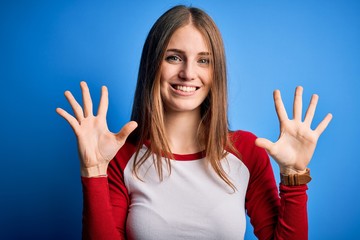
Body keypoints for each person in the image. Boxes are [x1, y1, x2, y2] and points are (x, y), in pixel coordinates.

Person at [56, 5, 332, 240]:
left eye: (203, 61)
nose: (188, 73)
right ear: (153, 64)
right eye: (173, 57)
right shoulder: (122, 155)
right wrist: (93, 170)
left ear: (216, 73)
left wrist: (295, 176)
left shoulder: (247, 151)